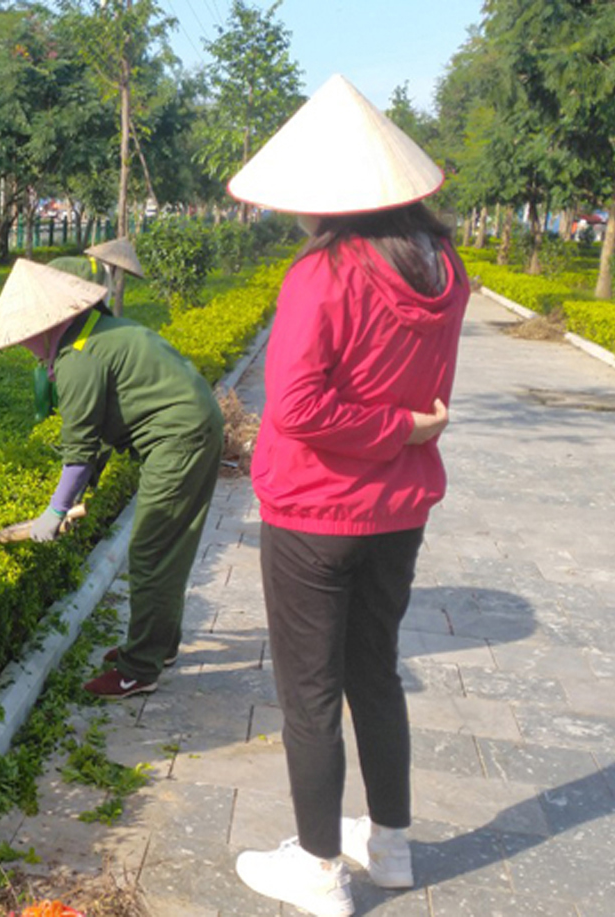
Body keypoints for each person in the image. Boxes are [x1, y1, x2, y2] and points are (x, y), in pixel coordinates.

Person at [224, 75, 471, 917]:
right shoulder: (444, 268)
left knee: (309, 692)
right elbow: (426, 399)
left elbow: (293, 406)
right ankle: (390, 844)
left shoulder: (325, 274)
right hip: (399, 510)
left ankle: (322, 867)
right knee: (375, 672)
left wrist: (393, 427)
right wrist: (406, 427)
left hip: (315, 508)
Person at [0, 259, 223, 699]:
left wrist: (53, 512)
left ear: (47, 325)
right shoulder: (96, 330)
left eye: (24, 337)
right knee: (170, 544)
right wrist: (80, 493)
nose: (24, 348)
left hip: (179, 438)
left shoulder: (77, 359)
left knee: (152, 549)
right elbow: (104, 430)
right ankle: (159, 646)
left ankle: (139, 670)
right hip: (194, 423)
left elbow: (78, 452)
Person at [36, 238, 145, 422]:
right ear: (115, 265)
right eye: (121, 271)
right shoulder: (98, 273)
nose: (120, 276)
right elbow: (97, 309)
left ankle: (45, 413)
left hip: (50, 302)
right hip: (54, 302)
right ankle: (51, 410)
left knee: (46, 356)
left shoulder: (92, 268)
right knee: (58, 357)